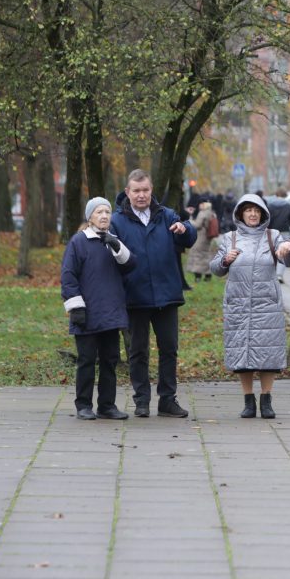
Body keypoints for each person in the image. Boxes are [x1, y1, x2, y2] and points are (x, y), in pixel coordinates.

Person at [110, 169, 197, 418]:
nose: (141, 195)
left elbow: (190, 237)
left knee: (169, 349)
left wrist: (185, 228)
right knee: (138, 351)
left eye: (145, 190)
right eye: (136, 191)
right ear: (127, 192)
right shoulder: (118, 221)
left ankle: (167, 400)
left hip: (166, 295)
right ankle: (142, 400)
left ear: (151, 191)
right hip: (134, 297)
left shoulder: (166, 215)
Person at [210, 194, 290, 418]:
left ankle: (266, 401)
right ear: (240, 214)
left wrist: (289, 246)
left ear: (262, 214)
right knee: (243, 357)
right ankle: (248, 402)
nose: (252, 214)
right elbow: (215, 269)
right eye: (248, 210)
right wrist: (224, 260)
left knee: (268, 357)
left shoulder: (273, 236)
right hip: (238, 306)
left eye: (256, 211)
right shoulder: (230, 238)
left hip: (266, 306)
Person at [61, 197, 136, 420]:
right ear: (90, 217)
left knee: (109, 360)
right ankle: (83, 405)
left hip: (111, 313)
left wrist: (116, 247)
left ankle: (107, 405)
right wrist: (76, 307)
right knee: (86, 361)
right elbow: (68, 276)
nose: (104, 216)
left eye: (107, 212)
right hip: (87, 313)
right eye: (99, 212)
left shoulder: (114, 241)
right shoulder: (78, 242)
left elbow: (131, 265)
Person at [266, 188, 290, 283]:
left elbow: (267, 220)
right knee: (283, 252)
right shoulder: (288, 206)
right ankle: (279, 275)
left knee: (271, 251)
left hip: (271, 231)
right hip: (284, 232)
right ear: (285, 195)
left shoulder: (270, 206)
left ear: (276, 194)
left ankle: (270, 273)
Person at [187, 201, 216, 283]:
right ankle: (208, 275)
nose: (199, 205)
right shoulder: (211, 212)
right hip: (207, 237)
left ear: (204, 204)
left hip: (201, 237)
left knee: (197, 255)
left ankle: (198, 277)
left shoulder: (202, 213)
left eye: (200, 203)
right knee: (205, 255)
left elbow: (197, 225)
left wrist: (190, 220)